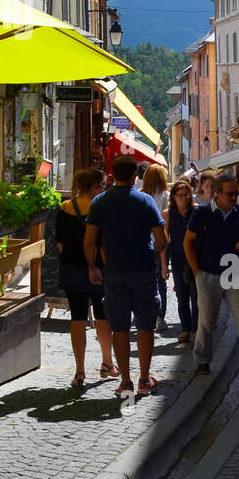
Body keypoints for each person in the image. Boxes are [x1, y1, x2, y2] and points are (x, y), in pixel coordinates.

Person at [84, 155, 167, 399]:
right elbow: (161, 240)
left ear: (112, 175)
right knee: (145, 324)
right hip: (142, 268)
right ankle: (144, 379)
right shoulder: (146, 201)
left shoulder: (99, 202)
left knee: (119, 326)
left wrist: (92, 267)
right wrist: (153, 256)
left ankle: (126, 382)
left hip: (114, 270)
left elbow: (89, 242)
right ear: (135, 176)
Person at [184, 173, 239, 382]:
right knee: (207, 321)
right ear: (218, 193)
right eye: (230, 194)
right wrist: (197, 272)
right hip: (208, 273)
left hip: (233, 274)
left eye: (235, 193)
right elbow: (188, 243)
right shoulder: (202, 213)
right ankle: (202, 360)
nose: (234, 198)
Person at [54, 168, 118, 387]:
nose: (104, 188)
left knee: (78, 318)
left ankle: (80, 371)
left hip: (72, 269)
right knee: (102, 317)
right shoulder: (100, 208)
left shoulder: (65, 207)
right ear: (93, 187)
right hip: (98, 270)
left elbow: (60, 243)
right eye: (101, 184)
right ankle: (107, 363)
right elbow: (103, 243)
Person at [164, 178, 198, 343]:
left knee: (197, 295)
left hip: (195, 258)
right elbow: (165, 242)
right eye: (181, 195)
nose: (184, 198)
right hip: (177, 260)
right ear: (174, 197)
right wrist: (164, 265)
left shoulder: (196, 211)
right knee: (182, 296)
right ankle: (186, 329)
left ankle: (197, 330)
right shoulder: (168, 214)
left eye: (187, 195)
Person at [142, 164, 170, 333]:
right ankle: (160, 317)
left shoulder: (141, 196)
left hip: (144, 242)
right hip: (162, 242)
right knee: (161, 279)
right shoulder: (166, 197)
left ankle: (143, 312)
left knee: (143, 279)